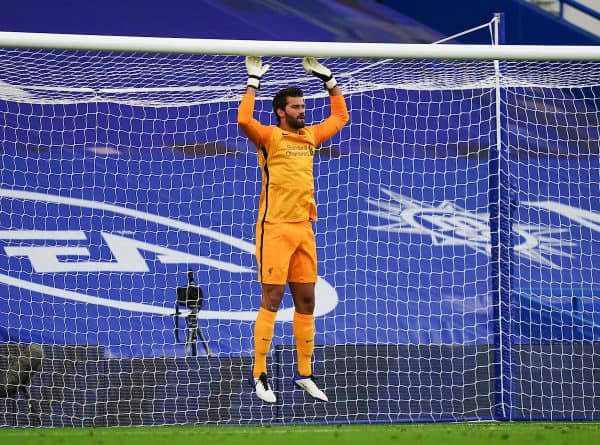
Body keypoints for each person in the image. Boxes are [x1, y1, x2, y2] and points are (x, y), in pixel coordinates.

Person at [237, 56, 349, 404]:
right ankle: (259, 374)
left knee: (307, 301)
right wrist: (253, 81)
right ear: (281, 112)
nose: (303, 111)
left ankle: (305, 374)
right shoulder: (269, 138)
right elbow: (243, 119)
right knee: (272, 299)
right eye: (296, 107)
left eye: (303, 106)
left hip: (304, 230)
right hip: (274, 229)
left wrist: (328, 80)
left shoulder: (311, 137)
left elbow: (341, 116)